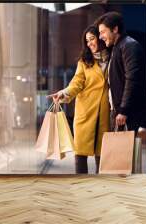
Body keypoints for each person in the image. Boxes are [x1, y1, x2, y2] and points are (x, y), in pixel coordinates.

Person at [48, 25, 110, 174]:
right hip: (85, 112)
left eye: (92, 39)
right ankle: (81, 186)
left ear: (100, 37)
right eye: (87, 41)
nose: (90, 44)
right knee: (80, 154)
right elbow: (76, 82)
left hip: (105, 113)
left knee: (103, 154)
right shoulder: (84, 62)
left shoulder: (113, 57)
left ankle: (101, 187)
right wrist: (63, 93)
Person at [95, 12, 146, 132]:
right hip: (119, 112)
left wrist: (123, 110)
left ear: (115, 29)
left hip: (127, 115)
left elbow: (132, 80)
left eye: (103, 32)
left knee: (124, 149)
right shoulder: (117, 47)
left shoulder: (129, 46)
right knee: (119, 149)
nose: (100, 37)